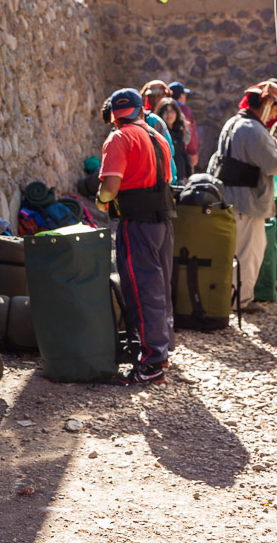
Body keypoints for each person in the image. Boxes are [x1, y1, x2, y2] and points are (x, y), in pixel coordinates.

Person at [96, 88, 176, 384]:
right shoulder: (157, 136)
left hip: (137, 224)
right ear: (142, 110)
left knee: (143, 291)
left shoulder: (119, 138)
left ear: (115, 117)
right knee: (160, 287)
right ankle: (161, 352)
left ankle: (151, 363)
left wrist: (101, 201)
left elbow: (110, 187)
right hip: (163, 221)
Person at [207, 81, 277, 312]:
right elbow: (273, 164)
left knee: (234, 253)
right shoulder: (253, 129)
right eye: (276, 107)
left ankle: (228, 300)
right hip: (247, 201)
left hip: (230, 198)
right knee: (249, 254)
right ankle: (239, 301)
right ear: (267, 104)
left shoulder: (233, 123)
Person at [140, 80, 178, 183]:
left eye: (159, 96)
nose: (155, 100)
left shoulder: (173, 114)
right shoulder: (146, 119)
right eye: (151, 97)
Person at [155, 97, 193, 182]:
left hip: (181, 177)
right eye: (166, 112)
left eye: (172, 111)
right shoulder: (158, 133)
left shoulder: (180, 130)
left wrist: (189, 174)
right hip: (166, 178)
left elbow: (184, 153)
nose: (169, 115)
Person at [168, 81, 199, 170]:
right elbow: (190, 131)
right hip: (183, 151)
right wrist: (193, 152)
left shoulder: (164, 107)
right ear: (181, 96)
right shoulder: (185, 109)